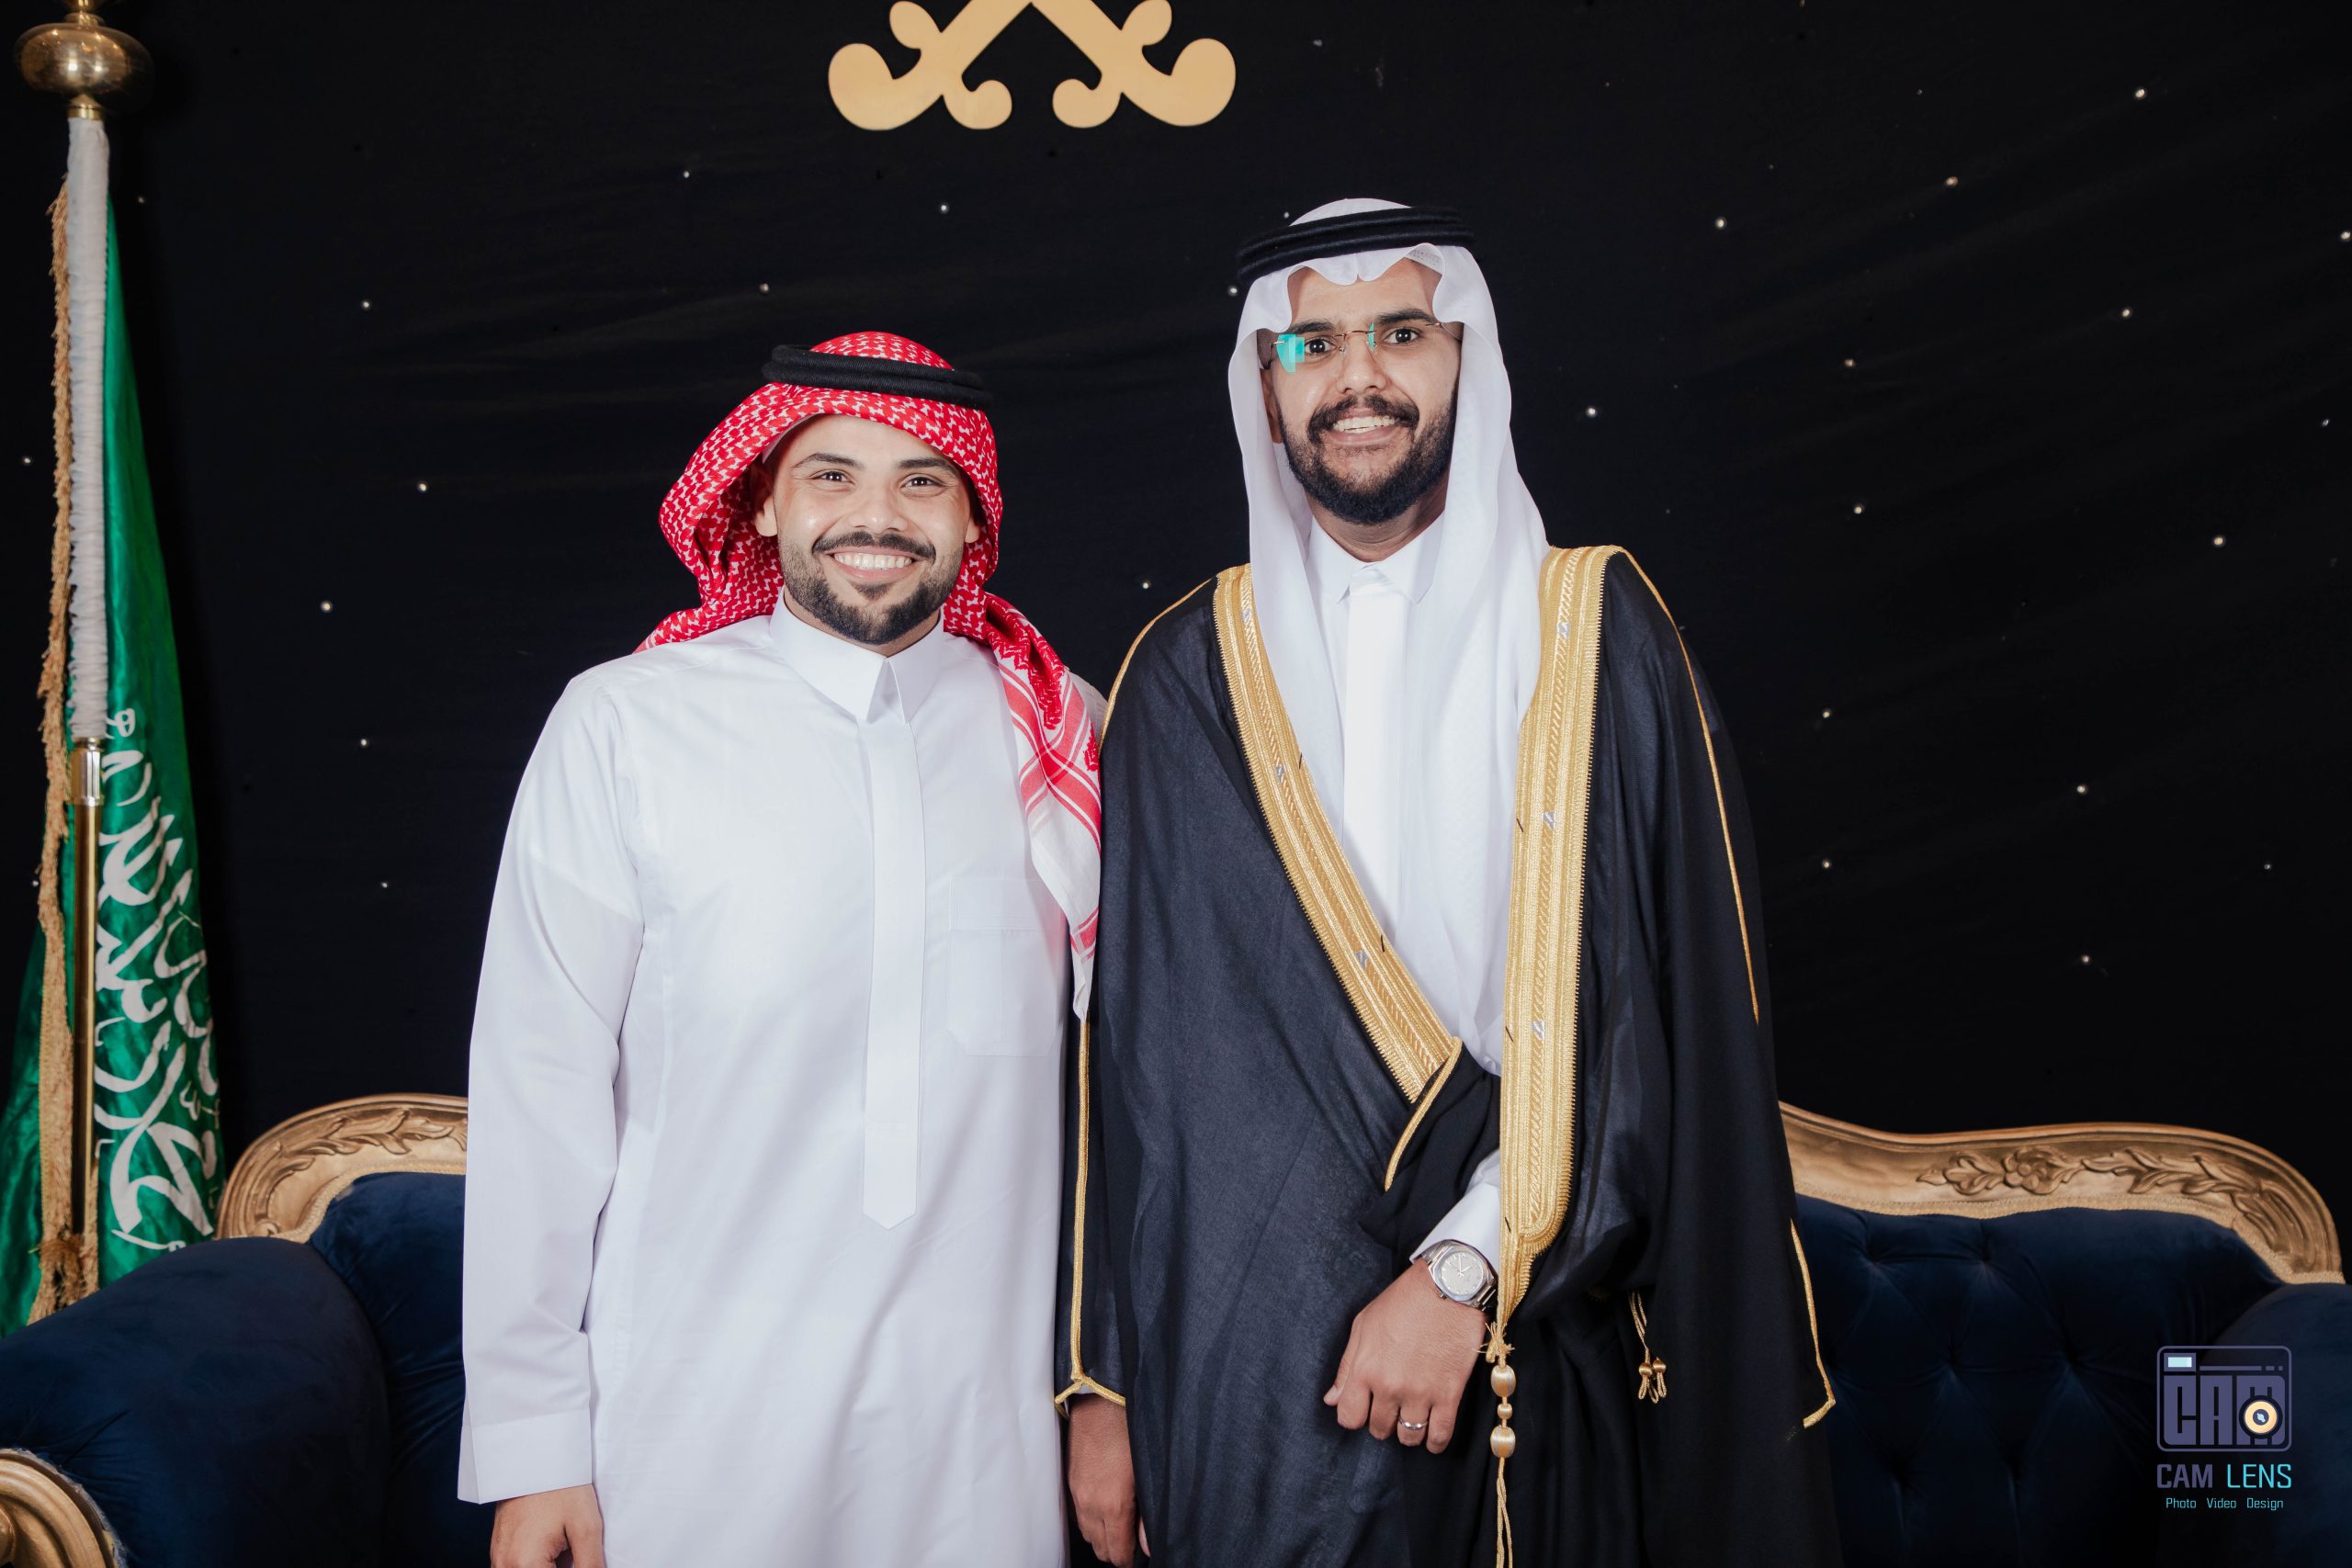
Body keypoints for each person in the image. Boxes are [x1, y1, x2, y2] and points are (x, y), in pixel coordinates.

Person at [1059, 201, 1843, 1566]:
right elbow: (1129, 1075)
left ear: (1465, 358)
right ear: (1265, 389)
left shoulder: (1594, 630)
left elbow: (1660, 1016)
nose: (1357, 377)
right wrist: (1105, 1392)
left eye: (1401, 334)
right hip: (1238, 1385)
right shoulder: (1183, 671)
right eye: (1313, 343)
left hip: (1528, 1335)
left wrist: (1465, 1266)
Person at [458, 333, 1102, 1567]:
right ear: (762, 501)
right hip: (691, 1430)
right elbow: (538, 1093)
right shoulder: (627, 724)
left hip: (976, 1439)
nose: (879, 516)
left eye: (923, 481)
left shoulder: (1059, 730)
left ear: (974, 519)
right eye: (832, 475)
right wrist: (536, 1449)